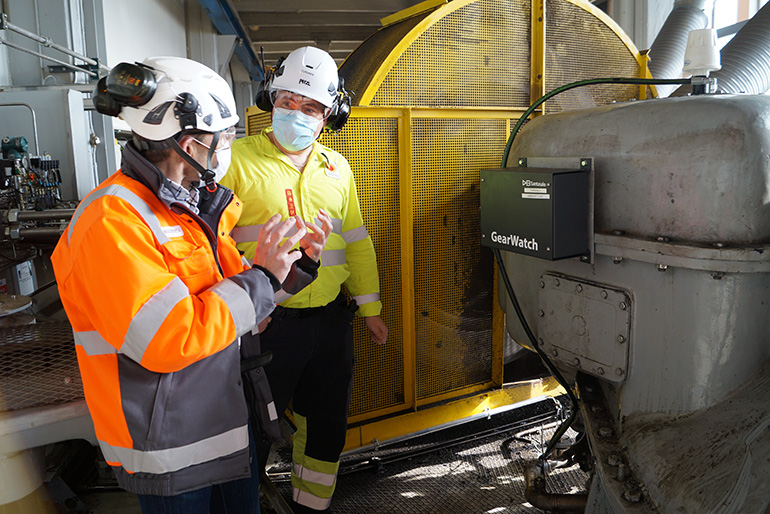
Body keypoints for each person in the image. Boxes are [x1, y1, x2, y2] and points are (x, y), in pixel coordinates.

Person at [51, 56, 330, 514]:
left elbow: (235, 311)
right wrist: (260, 277)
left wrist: (292, 269)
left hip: (222, 428)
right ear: (187, 140)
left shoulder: (190, 208)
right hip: (172, 451)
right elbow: (170, 337)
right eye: (220, 138)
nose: (225, 148)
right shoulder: (110, 220)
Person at [219, 46, 388, 513]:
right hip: (269, 323)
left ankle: (311, 507)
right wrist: (245, 309)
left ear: (329, 114)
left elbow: (356, 241)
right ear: (270, 99)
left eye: (310, 107)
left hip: (332, 324)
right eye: (288, 101)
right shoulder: (234, 160)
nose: (297, 113)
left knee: (326, 426)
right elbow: (212, 245)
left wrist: (370, 309)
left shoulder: (338, 168)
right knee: (251, 429)